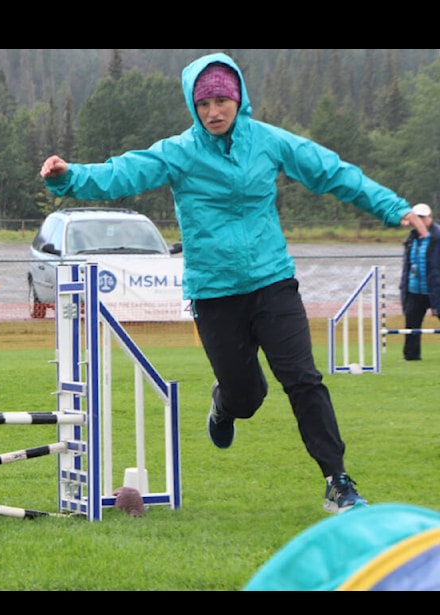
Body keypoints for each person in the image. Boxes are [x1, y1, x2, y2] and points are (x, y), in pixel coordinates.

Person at [40, 51, 430, 514]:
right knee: (247, 396)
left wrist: (393, 207)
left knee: (304, 380)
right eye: (204, 104)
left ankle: (337, 480)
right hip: (214, 291)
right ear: (193, 105)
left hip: (272, 281)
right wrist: (69, 178)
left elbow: (332, 172)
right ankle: (224, 404)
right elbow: (122, 171)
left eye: (221, 101)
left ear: (238, 97)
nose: (213, 112)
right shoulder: (178, 153)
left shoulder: (267, 141)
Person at [400, 203, 440, 361]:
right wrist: (404, 287)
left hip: (436, 288)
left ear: (430, 218)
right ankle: (411, 356)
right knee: (411, 323)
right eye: (417, 217)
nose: (420, 220)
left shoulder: (438, 237)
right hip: (414, 289)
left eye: (423, 217)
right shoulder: (411, 238)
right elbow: (407, 266)